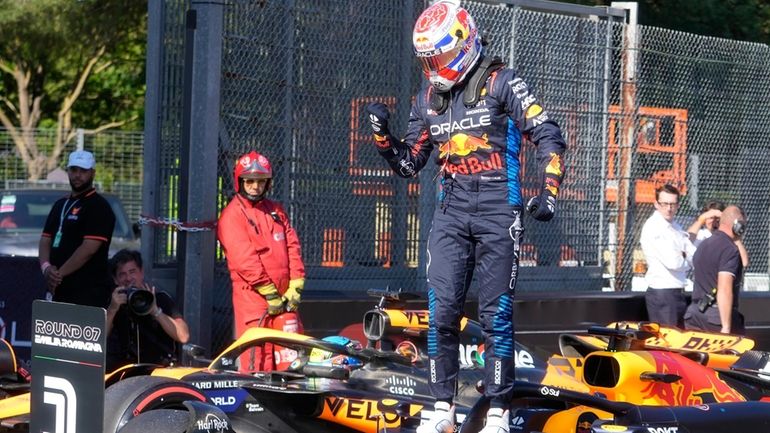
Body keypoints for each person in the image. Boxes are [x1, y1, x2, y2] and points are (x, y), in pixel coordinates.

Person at [364, 2, 567, 432]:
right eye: (426, 60)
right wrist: (384, 139)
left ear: (462, 42)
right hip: (450, 212)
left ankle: (497, 412)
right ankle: (441, 410)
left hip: (499, 210)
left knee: (496, 315)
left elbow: (547, 133)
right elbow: (409, 164)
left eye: (437, 57)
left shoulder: (502, 81)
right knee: (441, 313)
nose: (432, 68)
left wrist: (548, 192)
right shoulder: (426, 100)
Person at [217, 151, 306, 372]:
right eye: (250, 181)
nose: (255, 186)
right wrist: (270, 293)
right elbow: (244, 261)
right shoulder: (232, 217)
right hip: (253, 298)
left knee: (293, 357)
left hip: (285, 297)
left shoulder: (276, 211)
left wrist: (296, 284)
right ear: (241, 182)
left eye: (261, 181)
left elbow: (292, 246)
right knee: (257, 358)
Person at [38, 150, 116, 307]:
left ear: (92, 173)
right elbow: (45, 239)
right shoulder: (60, 204)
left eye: (83, 171)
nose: (77, 175)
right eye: (73, 170)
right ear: (68, 171)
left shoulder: (99, 206)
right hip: (59, 289)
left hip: (88, 291)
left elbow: (89, 249)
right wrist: (46, 268)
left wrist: (58, 275)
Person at [105, 249, 190, 371]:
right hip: (125, 370)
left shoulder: (161, 298)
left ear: (141, 273)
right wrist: (113, 309)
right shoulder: (114, 302)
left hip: (158, 369)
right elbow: (97, 340)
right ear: (116, 280)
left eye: (132, 271)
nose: (128, 278)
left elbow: (183, 336)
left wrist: (155, 310)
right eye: (122, 274)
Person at [684, 205, 747, 335]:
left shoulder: (703, 245)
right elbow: (724, 289)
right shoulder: (730, 250)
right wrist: (726, 327)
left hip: (694, 315)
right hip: (716, 318)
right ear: (737, 226)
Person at [639, 184, 696, 328]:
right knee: (668, 342)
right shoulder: (655, 226)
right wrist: (686, 259)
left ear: (678, 205)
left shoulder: (675, 226)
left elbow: (692, 254)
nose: (669, 208)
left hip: (676, 291)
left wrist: (685, 256)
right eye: (664, 204)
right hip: (663, 293)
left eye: (672, 204)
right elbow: (674, 262)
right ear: (656, 204)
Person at [687, 200, 749, 267]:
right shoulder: (701, 235)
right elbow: (686, 242)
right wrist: (702, 218)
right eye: (711, 218)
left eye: (717, 218)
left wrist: (734, 235)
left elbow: (744, 262)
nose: (714, 221)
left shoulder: (728, 237)